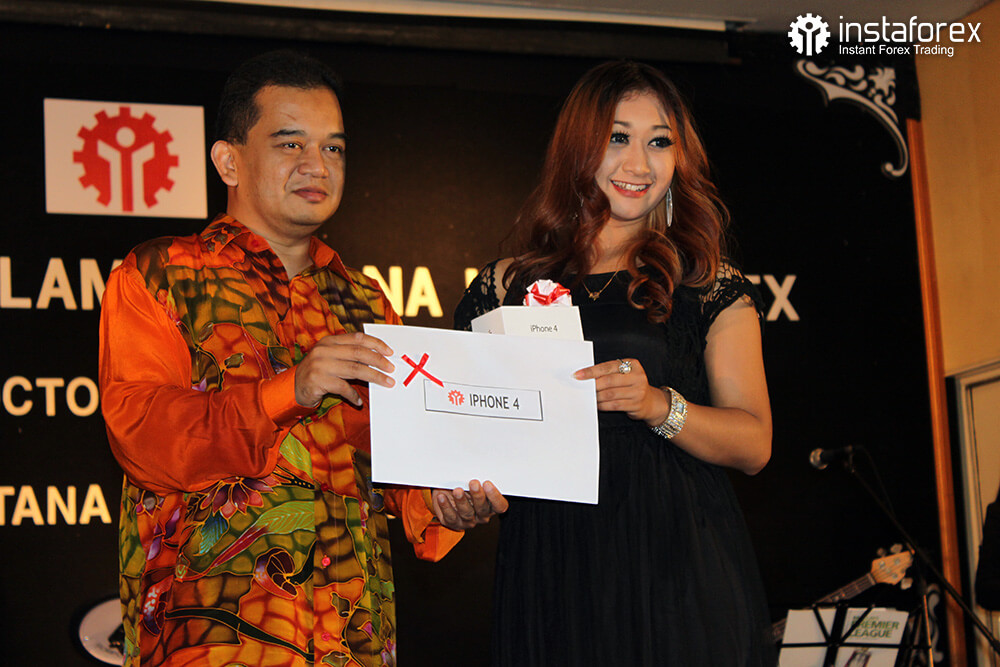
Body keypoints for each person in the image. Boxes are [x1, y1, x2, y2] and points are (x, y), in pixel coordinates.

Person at [99, 50, 506, 667]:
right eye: (291, 144)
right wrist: (289, 390)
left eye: (333, 148)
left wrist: (442, 502)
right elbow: (142, 435)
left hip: (352, 639)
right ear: (228, 161)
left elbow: (397, 466)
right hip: (212, 641)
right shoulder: (159, 275)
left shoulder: (367, 302)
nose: (317, 165)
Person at [455, 60, 775, 665]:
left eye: (660, 142)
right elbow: (469, 438)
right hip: (551, 563)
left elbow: (754, 443)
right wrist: (460, 494)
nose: (639, 164)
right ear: (578, 147)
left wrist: (657, 405)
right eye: (618, 137)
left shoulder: (708, 283)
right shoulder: (503, 286)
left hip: (677, 565)